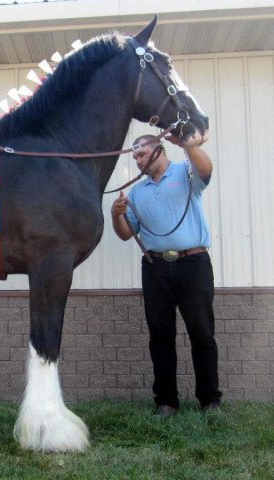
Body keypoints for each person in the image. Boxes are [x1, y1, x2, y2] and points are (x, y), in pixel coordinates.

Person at [111, 133, 222, 416]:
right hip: (155, 267)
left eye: (141, 155)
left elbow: (206, 171)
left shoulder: (185, 172)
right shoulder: (137, 192)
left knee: (202, 334)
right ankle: (166, 401)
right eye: (134, 157)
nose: (137, 161)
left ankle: (210, 401)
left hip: (193, 263)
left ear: (158, 150)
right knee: (160, 336)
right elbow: (126, 234)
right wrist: (117, 215)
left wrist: (188, 144)